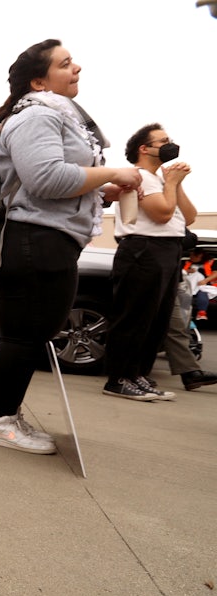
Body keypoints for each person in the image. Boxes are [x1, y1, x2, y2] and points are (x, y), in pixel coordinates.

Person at [0, 39, 141, 454]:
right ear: (39, 80)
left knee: (29, 334)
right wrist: (112, 170)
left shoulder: (47, 115)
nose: (77, 68)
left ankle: (6, 415)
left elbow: (53, 184)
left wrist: (102, 187)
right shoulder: (37, 117)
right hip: (33, 240)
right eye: (65, 64)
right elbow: (46, 179)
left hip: (41, 238)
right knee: (22, 336)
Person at [103, 124, 196, 402]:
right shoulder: (139, 177)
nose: (170, 145)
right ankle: (118, 379)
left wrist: (175, 183)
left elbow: (188, 217)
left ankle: (137, 375)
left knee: (156, 320)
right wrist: (169, 184)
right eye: (163, 141)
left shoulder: (159, 180)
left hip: (167, 250)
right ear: (144, 148)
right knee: (134, 317)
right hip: (143, 250)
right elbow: (163, 214)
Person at [162, 262, 217, 391]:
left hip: (171, 278)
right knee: (143, 325)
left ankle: (190, 373)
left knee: (176, 328)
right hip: (151, 272)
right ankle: (129, 375)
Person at [183, 248, 216, 320]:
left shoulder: (212, 262)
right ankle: (185, 314)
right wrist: (188, 271)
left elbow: (215, 273)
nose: (190, 257)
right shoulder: (187, 262)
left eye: (192, 255)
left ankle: (201, 313)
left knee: (202, 293)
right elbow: (181, 272)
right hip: (189, 285)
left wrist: (205, 280)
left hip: (206, 286)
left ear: (199, 255)